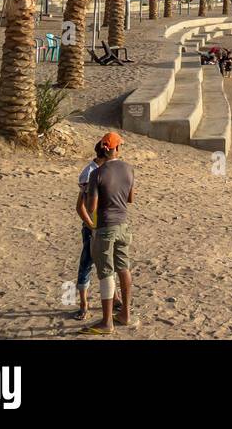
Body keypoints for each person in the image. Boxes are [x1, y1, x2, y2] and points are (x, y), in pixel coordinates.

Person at [79, 132, 136, 335]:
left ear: (103, 148)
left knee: (106, 273)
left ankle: (106, 322)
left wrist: (86, 194)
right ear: (117, 148)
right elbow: (130, 198)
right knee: (124, 268)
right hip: (123, 224)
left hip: (104, 227)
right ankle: (126, 315)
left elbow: (92, 206)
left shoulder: (97, 173)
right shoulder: (128, 169)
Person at [72, 140, 108, 321]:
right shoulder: (89, 173)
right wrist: (91, 226)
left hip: (106, 226)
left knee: (107, 266)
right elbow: (81, 206)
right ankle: (84, 305)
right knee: (86, 265)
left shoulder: (106, 170)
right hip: (92, 228)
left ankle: (114, 299)